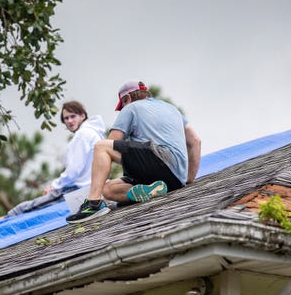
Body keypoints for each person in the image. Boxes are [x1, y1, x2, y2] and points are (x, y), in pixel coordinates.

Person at [0, 101, 105, 238]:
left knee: (23, 211)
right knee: (26, 212)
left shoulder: (82, 135)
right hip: (88, 188)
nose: (69, 121)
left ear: (83, 115)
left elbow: (73, 171)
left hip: (74, 190)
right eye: (66, 118)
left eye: (73, 116)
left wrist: (54, 186)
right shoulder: (93, 133)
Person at [66, 80, 201, 224]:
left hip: (158, 161)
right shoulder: (172, 109)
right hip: (174, 180)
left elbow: (111, 143)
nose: (123, 107)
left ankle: (93, 204)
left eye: (122, 104)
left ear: (127, 98)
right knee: (108, 189)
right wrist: (188, 179)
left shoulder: (131, 108)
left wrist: (99, 176)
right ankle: (147, 192)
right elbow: (195, 141)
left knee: (101, 147)